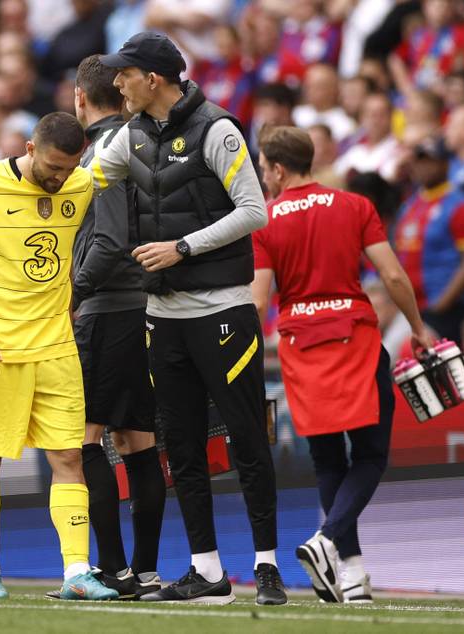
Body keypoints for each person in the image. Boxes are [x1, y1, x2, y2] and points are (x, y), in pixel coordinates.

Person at [92, 31, 287, 606]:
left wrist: (180, 247)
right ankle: (208, 572)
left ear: (152, 79)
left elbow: (254, 214)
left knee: (248, 438)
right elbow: (88, 182)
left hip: (223, 310)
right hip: (162, 314)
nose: (116, 83)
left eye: (123, 74)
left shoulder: (218, 129)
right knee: (181, 447)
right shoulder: (130, 136)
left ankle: (267, 567)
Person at [0, 112, 118, 602]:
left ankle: (77, 571)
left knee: (68, 457)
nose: (61, 178)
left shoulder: (82, 184)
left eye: (69, 168)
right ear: (30, 148)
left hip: (57, 347)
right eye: (53, 167)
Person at [252, 126, 434, 604]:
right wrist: (417, 326)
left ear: (277, 168)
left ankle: (351, 573)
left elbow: (256, 304)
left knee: (328, 459)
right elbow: (391, 273)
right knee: (370, 455)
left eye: (263, 167)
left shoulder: (265, 220)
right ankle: (331, 543)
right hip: (354, 336)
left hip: (300, 344)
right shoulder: (354, 206)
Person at [70, 55, 166, 599]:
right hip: (148, 309)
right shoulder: (147, 143)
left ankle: (113, 570)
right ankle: (147, 570)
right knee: (138, 442)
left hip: (107, 310)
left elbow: (106, 243)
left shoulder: (104, 154)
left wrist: (72, 292)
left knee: (84, 438)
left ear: (80, 99)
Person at [394, 136, 464, 343]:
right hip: (414, 309)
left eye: (430, 161)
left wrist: (441, 305)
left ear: (445, 164)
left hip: (446, 310)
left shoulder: (460, 206)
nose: (423, 167)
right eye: (419, 161)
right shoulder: (410, 205)